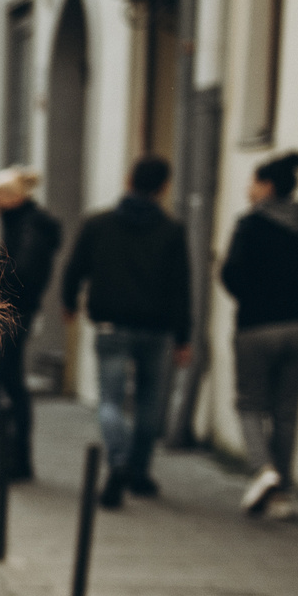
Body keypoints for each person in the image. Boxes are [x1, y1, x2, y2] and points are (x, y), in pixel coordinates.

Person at [60, 155, 191, 507]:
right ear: (163, 187)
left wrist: (69, 303)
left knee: (110, 400)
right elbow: (181, 287)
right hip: (156, 329)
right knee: (149, 403)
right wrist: (184, 336)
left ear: (129, 180)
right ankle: (139, 473)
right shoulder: (172, 231)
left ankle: (117, 460)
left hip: (111, 326)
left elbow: (75, 268)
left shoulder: (98, 224)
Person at [219, 150, 298, 519]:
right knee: (287, 411)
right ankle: (282, 497)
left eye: (254, 183)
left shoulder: (249, 224)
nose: (249, 190)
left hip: (255, 326)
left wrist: (255, 298)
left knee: (249, 404)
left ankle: (264, 470)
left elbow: (229, 274)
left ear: (268, 186)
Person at [0, 165, 62, 484]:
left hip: (13, 313)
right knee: (12, 384)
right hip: (14, 311)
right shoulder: (23, 223)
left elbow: (23, 273)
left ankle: (8, 459)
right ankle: (17, 459)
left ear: (12, 197)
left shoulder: (30, 226)